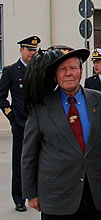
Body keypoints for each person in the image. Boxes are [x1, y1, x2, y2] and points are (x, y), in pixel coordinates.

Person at [21, 46, 101, 219]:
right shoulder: (41, 108)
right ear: (55, 75)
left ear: (81, 70)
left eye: (73, 68)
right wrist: (30, 192)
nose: (68, 73)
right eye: (62, 69)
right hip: (57, 197)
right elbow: (29, 154)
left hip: (96, 195)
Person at [0, 35, 39, 212]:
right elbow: (1, 97)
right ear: (21, 50)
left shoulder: (39, 69)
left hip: (38, 122)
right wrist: (12, 118)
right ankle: (19, 197)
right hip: (21, 123)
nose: (32, 53)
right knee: (20, 161)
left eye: (34, 50)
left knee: (40, 159)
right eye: (29, 50)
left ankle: (38, 194)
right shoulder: (11, 71)